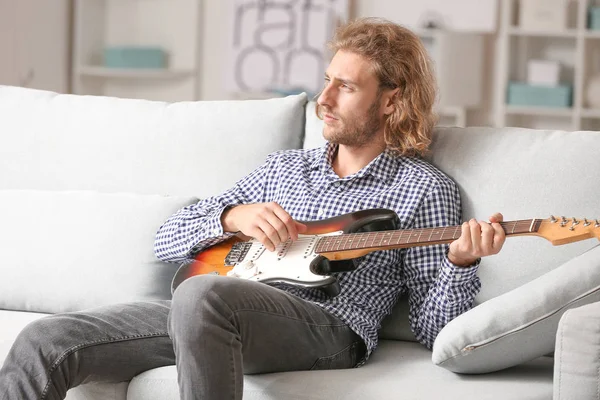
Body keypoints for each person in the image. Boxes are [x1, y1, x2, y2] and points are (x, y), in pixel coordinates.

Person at [0, 17, 506, 400]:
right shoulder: (284, 169)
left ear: (392, 101)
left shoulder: (423, 188)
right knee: (47, 338)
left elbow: (433, 330)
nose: (322, 98)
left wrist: (461, 264)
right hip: (213, 311)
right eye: (327, 80)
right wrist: (229, 218)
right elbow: (166, 238)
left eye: (345, 87)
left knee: (203, 297)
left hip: (328, 326)